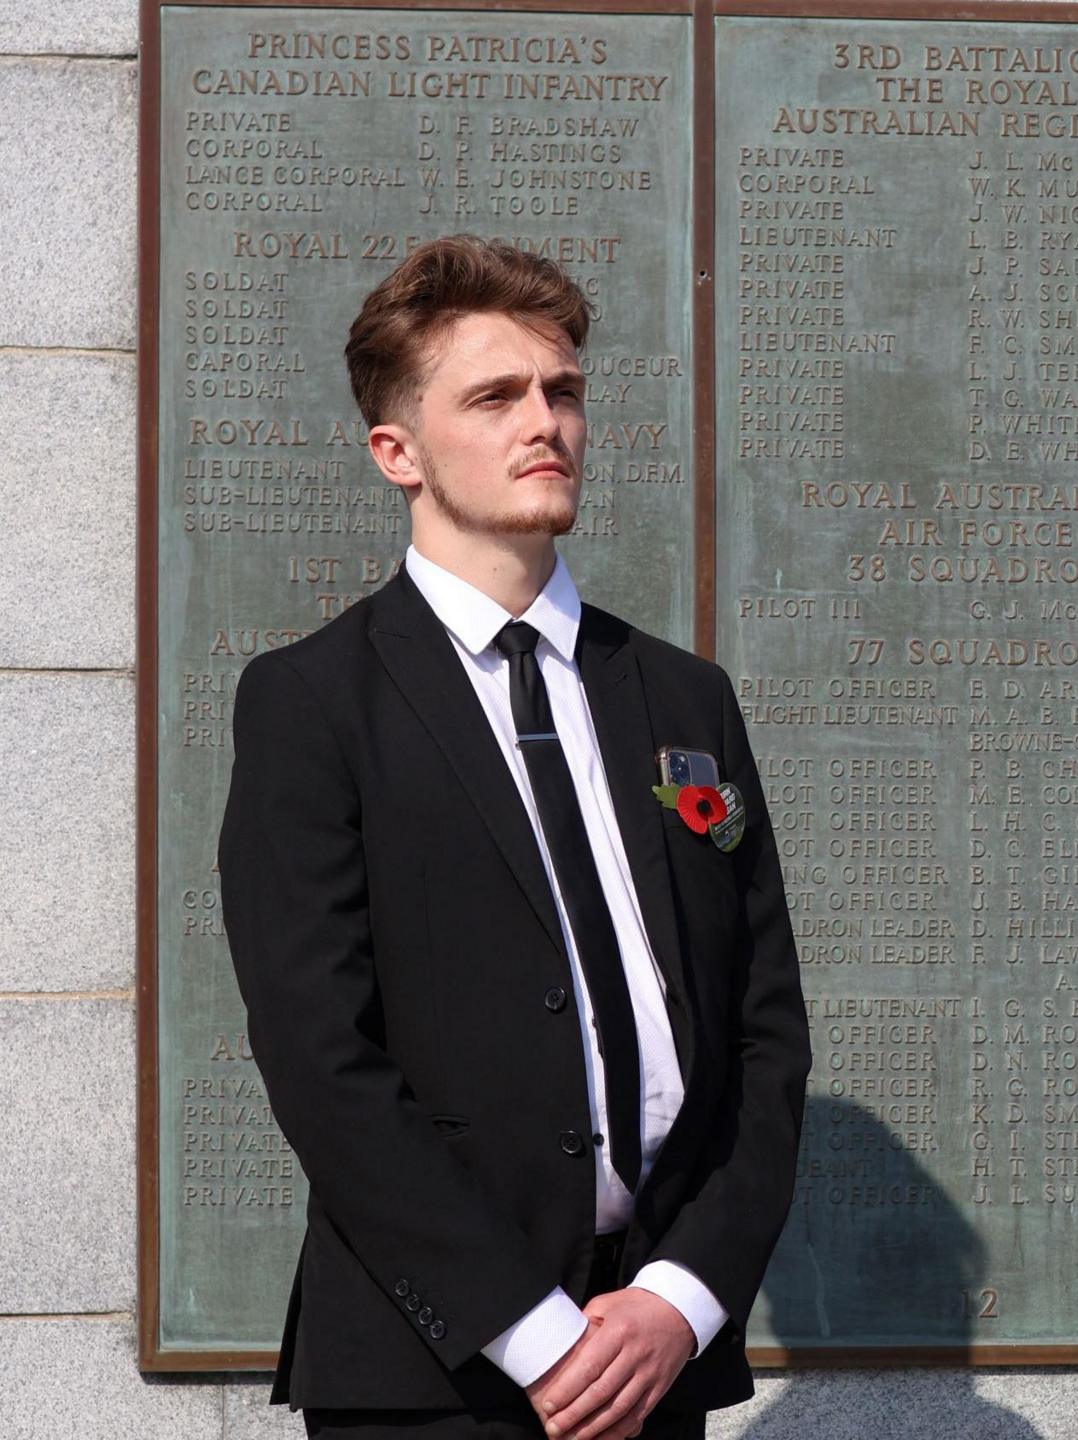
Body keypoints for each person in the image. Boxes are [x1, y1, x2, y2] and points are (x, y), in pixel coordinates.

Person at [220, 236, 810, 1440]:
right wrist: (533, 1331)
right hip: (431, 1375)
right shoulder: (315, 703)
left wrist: (680, 1302)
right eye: (494, 397)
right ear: (398, 451)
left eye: (564, 391)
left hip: (655, 1361)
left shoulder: (681, 697)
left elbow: (763, 1036)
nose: (544, 421)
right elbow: (319, 1056)